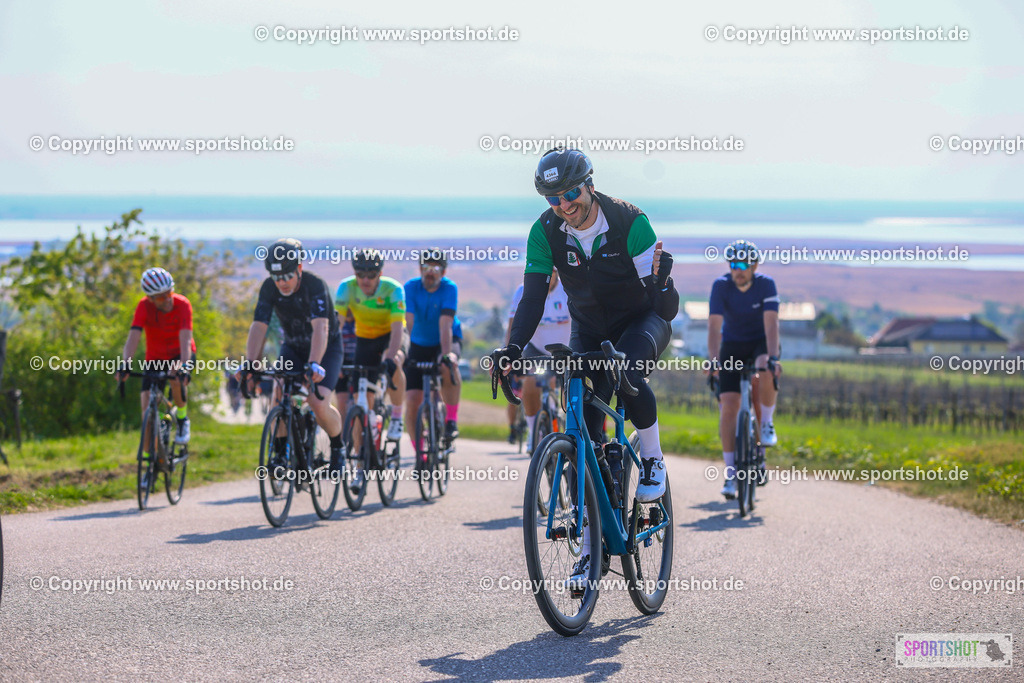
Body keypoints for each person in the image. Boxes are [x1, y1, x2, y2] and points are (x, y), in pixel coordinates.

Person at [492, 148, 678, 589]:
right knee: (585, 439)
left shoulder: (630, 222)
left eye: (571, 192)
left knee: (627, 376)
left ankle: (652, 460)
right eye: (553, 198)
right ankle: (591, 548)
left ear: (589, 184)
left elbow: (664, 308)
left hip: (639, 323)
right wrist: (512, 348)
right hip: (589, 330)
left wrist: (664, 282)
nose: (564, 204)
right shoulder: (545, 231)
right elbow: (533, 297)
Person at [240, 238, 346, 471]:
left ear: (299, 268)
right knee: (280, 396)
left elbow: (321, 327)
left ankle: (338, 446)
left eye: (287, 276)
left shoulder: (314, 285)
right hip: (294, 347)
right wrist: (251, 365)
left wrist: (315, 364)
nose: (282, 283)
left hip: (326, 348)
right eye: (277, 277)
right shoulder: (269, 288)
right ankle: (279, 455)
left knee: (317, 403)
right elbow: (259, 326)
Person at [707, 239, 782, 500]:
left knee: (764, 371)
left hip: (760, 342)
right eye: (733, 264)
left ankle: (767, 426)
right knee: (729, 406)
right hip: (732, 345)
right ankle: (731, 474)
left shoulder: (766, 285)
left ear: (754, 265)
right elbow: (715, 327)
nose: (737, 270)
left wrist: (772, 357)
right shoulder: (721, 286)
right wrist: (714, 360)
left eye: (743, 264)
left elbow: (771, 325)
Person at [117, 267, 196, 453]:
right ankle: (148, 464)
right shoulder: (143, 307)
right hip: (155, 357)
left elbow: (185, 339)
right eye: (161, 297)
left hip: (180, 353)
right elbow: (133, 337)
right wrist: (125, 364)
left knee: (175, 374)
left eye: (169, 293)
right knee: (146, 411)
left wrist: (184, 365)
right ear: (151, 298)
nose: (168, 299)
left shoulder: (183, 304)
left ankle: (183, 420)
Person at [335, 249, 407, 441]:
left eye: (371, 275)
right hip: (365, 339)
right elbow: (336, 327)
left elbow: (398, 329)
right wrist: (332, 357)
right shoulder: (346, 287)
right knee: (361, 399)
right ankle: (360, 464)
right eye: (360, 275)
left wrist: (390, 358)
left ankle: (397, 417)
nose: (365, 280)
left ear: (380, 274)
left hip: (391, 336)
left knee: (396, 361)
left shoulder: (393, 289)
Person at [503, 268, 570, 452]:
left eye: (551, 274)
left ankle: (572, 432)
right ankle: (533, 434)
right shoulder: (522, 290)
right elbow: (512, 326)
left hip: (565, 349)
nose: (546, 279)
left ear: (558, 273)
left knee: (570, 391)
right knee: (530, 384)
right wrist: (508, 353)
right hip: (536, 348)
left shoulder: (567, 288)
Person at [404, 247, 463, 452]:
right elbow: (407, 323)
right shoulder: (410, 288)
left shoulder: (449, 288)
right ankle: (420, 453)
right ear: (420, 269)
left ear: (443, 272)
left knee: (449, 365)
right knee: (412, 402)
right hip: (418, 343)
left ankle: (451, 419)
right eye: (426, 267)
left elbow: (445, 325)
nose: (430, 272)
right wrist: (403, 350)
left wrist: (447, 355)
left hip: (445, 340)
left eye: (435, 268)